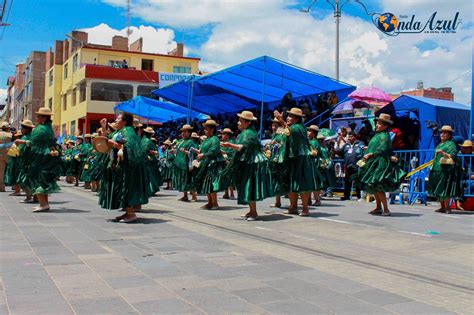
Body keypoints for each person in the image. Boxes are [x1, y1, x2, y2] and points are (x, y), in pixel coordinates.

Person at [221, 111, 273, 221]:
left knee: (250, 186)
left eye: (241, 121)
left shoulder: (249, 134)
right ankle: (251, 211)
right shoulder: (245, 133)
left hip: (252, 163)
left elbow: (243, 147)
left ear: (248, 122)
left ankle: (254, 213)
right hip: (247, 162)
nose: (238, 123)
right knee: (247, 186)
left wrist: (230, 145)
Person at [273, 107, 321, 216]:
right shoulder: (291, 127)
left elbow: (290, 131)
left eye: (290, 116)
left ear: (297, 119)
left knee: (301, 184)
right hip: (291, 159)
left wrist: (281, 120)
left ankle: (305, 208)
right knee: (291, 183)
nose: (288, 118)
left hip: (300, 159)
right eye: (288, 116)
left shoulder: (299, 127)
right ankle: (293, 207)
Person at [103, 112, 149, 223]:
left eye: (118, 119)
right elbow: (107, 139)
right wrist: (104, 127)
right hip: (121, 166)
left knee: (127, 189)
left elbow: (129, 149)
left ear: (124, 122)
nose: (116, 121)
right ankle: (127, 212)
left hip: (129, 168)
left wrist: (114, 144)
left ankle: (131, 214)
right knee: (121, 189)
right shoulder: (121, 131)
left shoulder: (129, 133)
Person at [356, 114, 405, 216]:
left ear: (385, 126)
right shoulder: (378, 134)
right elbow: (375, 146)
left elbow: (383, 149)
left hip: (380, 164)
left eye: (379, 123)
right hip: (374, 162)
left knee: (378, 186)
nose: (376, 125)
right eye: (377, 123)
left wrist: (371, 153)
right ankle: (378, 208)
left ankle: (386, 210)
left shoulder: (384, 136)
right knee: (374, 186)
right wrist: (367, 149)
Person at [14, 107, 61, 212]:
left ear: (44, 118)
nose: (36, 117)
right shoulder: (48, 128)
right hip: (47, 156)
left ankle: (43, 204)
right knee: (43, 178)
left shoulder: (41, 129)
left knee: (37, 177)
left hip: (41, 158)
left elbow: (33, 143)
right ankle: (44, 204)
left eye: (38, 116)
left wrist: (21, 142)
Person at [427, 125, 462, 214]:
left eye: (445, 133)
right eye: (442, 132)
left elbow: (453, 156)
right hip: (436, 169)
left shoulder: (451, 144)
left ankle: (448, 207)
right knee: (438, 187)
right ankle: (442, 207)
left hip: (445, 170)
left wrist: (443, 153)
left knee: (445, 188)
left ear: (449, 135)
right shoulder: (439, 144)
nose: (442, 134)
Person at [192, 119, 224, 210]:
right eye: (204, 129)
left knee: (211, 183)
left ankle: (215, 203)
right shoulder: (207, 139)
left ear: (212, 129)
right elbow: (203, 150)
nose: (204, 130)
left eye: (206, 129)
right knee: (206, 183)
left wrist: (203, 155)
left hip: (212, 164)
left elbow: (213, 151)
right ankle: (209, 202)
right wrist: (199, 153)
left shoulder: (215, 139)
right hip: (205, 163)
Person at [172, 124, 197, 202]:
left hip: (186, 164)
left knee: (188, 180)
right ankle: (185, 196)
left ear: (189, 133)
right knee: (183, 180)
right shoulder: (182, 141)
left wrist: (185, 152)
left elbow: (193, 154)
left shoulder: (190, 142)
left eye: (184, 132)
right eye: (182, 132)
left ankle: (194, 196)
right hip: (180, 164)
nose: (182, 133)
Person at [337, 131, 364, 201]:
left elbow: (364, 154)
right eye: (348, 136)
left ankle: (359, 196)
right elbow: (339, 152)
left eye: (351, 136)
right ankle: (346, 196)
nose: (349, 138)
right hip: (348, 166)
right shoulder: (346, 145)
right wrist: (337, 144)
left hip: (357, 166)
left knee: (358, 182)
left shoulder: (360, 144)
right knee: (347, 182)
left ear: (355, 137)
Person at [269, 117, 288, 208]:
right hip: (274, 159)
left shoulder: (282, 134)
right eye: (272, 125)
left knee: (281, 180)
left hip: (281, 160)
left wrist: (275, 145)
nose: (273, 127)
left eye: (275, 125)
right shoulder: (274, 135)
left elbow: (282, 145)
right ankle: (277, 201)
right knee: (276, 180)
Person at [16, 119, 35, 202]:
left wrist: (22, 142)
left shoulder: (30, 136)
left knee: (26, 179)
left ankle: (29, 196)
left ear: (27, 128)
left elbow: (32, 143)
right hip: (26, 160)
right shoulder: (25, 136)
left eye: (22, 128)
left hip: (29, 161)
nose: (21, 130)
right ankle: (33, 196)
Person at [142, 127, 162, 197]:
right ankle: (151, 190)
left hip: (143, 160)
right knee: (151, 175)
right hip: (150, 160)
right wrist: (154, 152)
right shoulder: (148, 141)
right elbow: (149, 151)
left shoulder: (142, 140)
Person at [307, 125, 324, 206]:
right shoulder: (309, 141)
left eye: (310, 131)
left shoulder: (314, 142)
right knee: (310, 182)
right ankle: (308, 200)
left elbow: (314, 153)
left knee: (314, 183)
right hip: (310, 164)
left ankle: (317, 200)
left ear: (314, 133)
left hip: (314, 164)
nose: (308, 132)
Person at [220, 128, 236, 200]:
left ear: (227, 135)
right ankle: (226, 193)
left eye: (223, 134)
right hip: (223, 161)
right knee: (224, 177)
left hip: (229, 161)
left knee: (229, 177)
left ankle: (232, 193)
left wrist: (224, 152)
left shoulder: (231, 142)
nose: (222, 135)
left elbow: (232, 153)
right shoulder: (223, 142)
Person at [0, 122, 12, 192]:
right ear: (8, 128)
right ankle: (15, 186)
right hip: (10, 155)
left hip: (0, 155)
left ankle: (1, 187)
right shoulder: (10, 134)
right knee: (12, 170)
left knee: (1, 172)